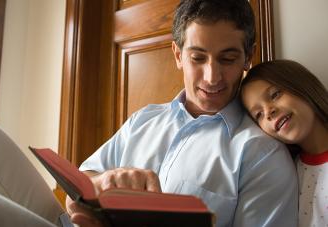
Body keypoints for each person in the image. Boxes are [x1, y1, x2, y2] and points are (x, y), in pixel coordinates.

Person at [66, 1, 298, 227]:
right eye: (197, 58)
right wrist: (101, 183)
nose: (212, 77)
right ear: (178, 55)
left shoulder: (263, 154)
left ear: (248, 57)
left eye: (227, 59)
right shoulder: (142, 120)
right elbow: (76, 189)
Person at [240, 59, 328, 227]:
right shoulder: (287, 174)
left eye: (275, 95)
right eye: (258, 114)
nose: (268, 112)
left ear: (302, 85)